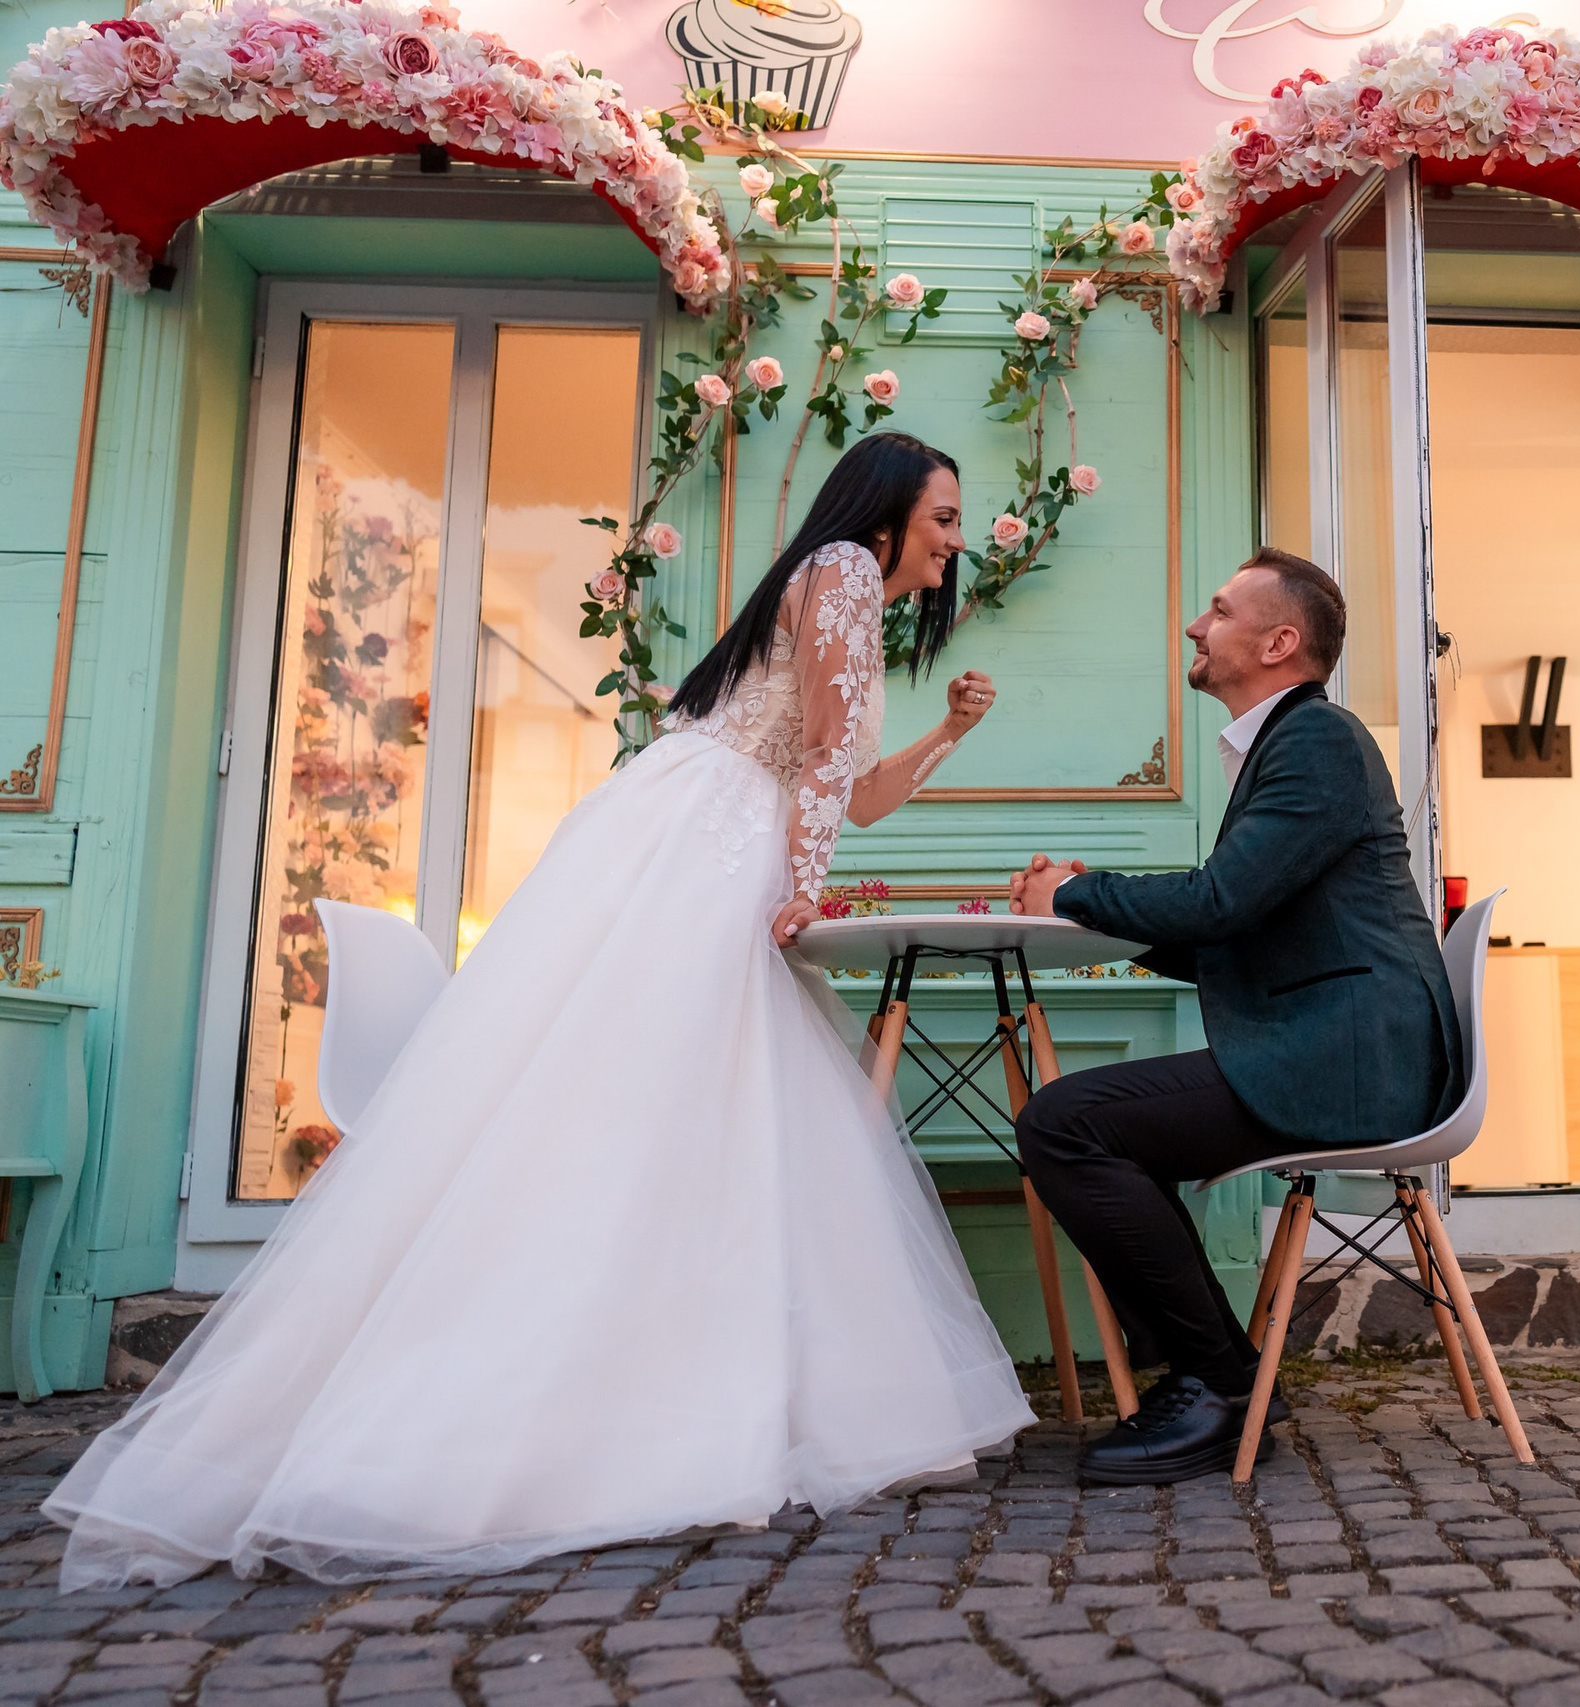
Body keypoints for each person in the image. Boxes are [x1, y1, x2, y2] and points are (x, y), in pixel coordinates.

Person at [46, 431, 1033, 1588]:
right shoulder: (850, 575)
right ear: (885, 516)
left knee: (648, 1110)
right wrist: (800, 892)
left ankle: (634, 1387)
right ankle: (644, 1400)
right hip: (711, 848)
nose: (954, 543)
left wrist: (948, 735)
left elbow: (851, 791)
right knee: (680, 1110)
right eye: (945, 517)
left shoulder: (827, 583)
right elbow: (818, 762)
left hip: (697, 827)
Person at [1007, 547, 1461, 1484]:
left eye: (1216, 611)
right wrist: (1088, 912)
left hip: (1347, 1059)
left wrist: (1080, 892)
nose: (1194, 626)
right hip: (1333, 1047)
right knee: (1087, 1126)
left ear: (1278, 641)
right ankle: (1216, 1377)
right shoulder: (1291, 745)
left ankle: (1216, 1385)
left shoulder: (1317, 741)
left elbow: (1218, 903)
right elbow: (1233, 925)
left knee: (1067, 1123)